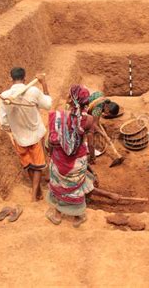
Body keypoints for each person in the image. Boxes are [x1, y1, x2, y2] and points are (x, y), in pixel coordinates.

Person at [0, 67, 52, 201]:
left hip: (19, 137)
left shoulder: (4, 96)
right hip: (35, 135)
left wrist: (14, 128)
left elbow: (3, 121)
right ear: (25, 78)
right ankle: (34, 196)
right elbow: (48, 104)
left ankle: (38, 191)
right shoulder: (33, 91)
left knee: (28, 164)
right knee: (38, 165)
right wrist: (44, 84)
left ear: (10, 79)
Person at [46, 85, 95, 227]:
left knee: (59, 186)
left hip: (60, 160)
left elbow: (51, 140)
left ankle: (57, 215)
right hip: (77, 162)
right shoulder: (90, 120)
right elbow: (91, 143)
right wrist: (92, 157)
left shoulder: (58, 116)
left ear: (70, 99)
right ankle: (78, 216)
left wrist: (51, 155)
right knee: (75, 188)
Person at [87, 91, 120, 163]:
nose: (106, 115)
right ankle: (92, 157)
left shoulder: (104, 99)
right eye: (108, 114)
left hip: (87, 103)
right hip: (79, 108)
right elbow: (94, 124)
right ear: (107, 108)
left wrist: (96, 121)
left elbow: (96, 119)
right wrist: (104, 136)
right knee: (90, 130)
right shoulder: (98, 109)